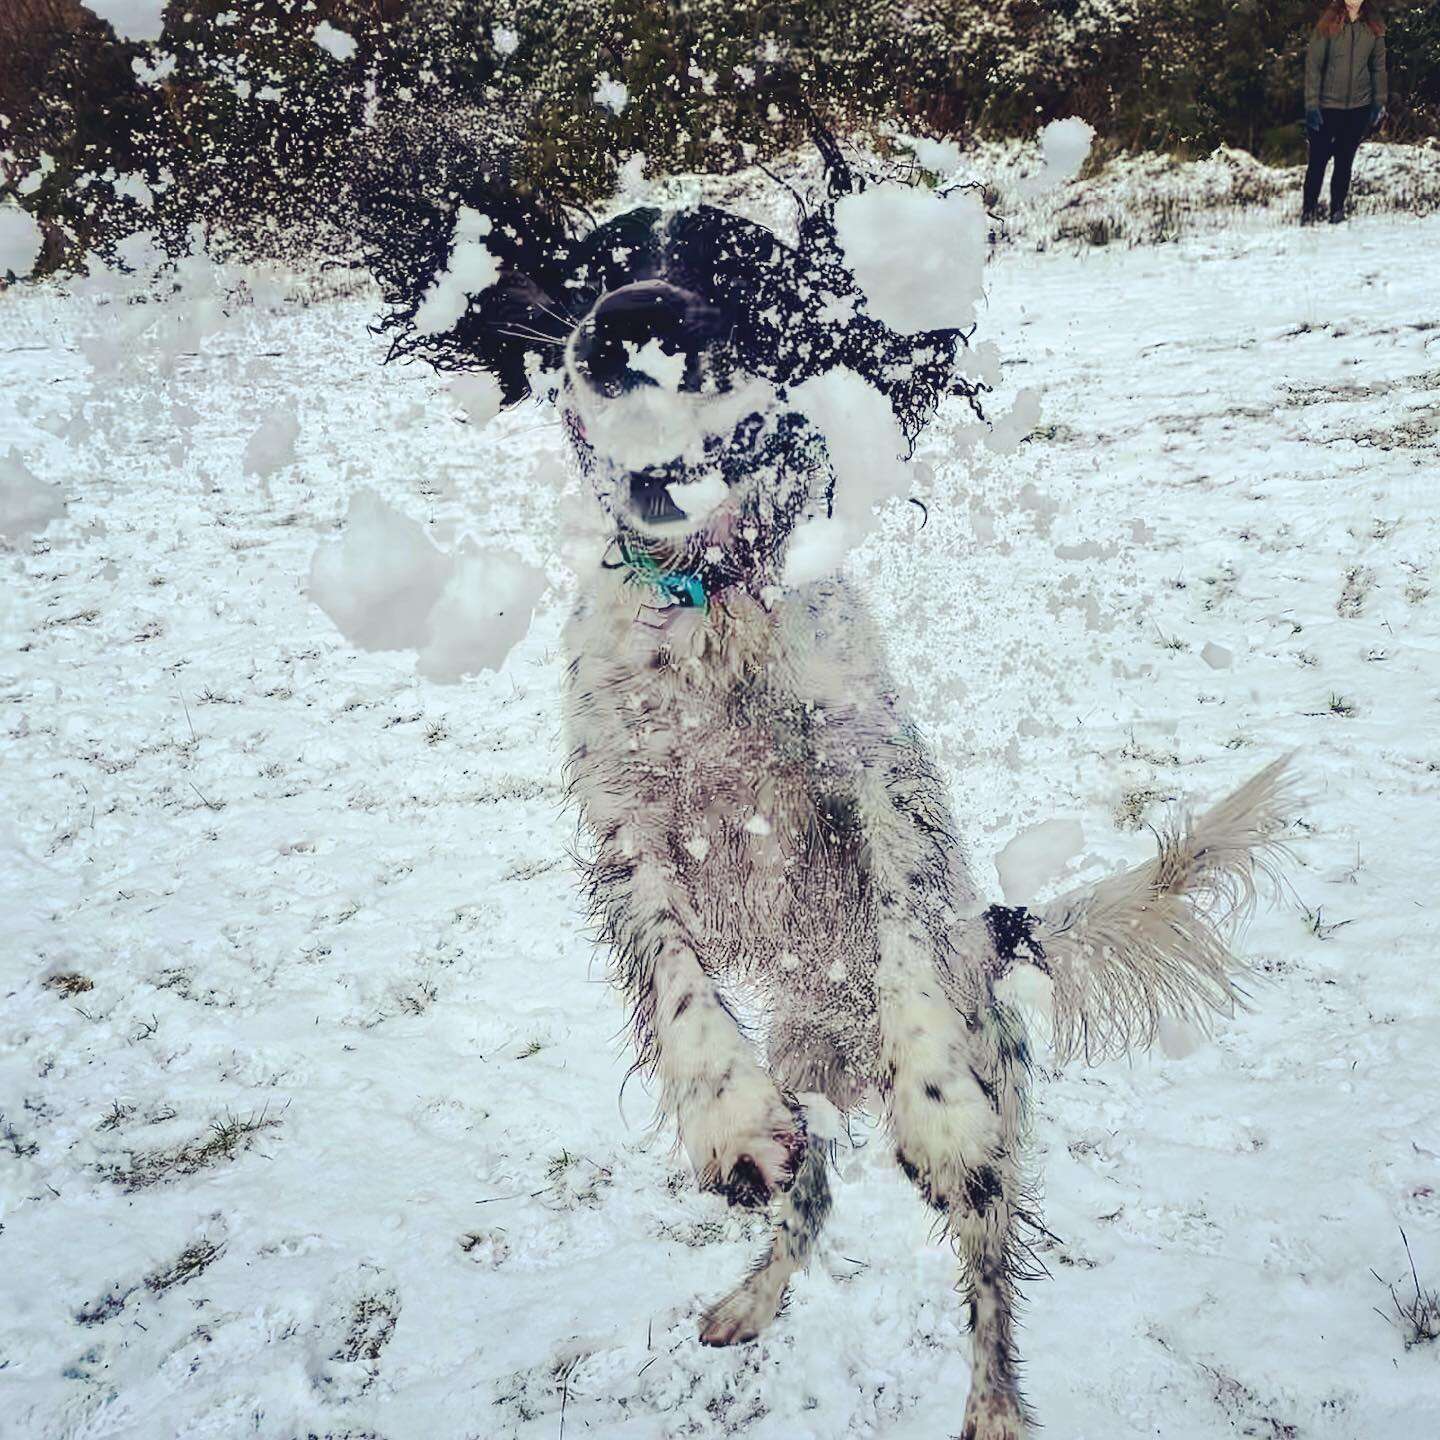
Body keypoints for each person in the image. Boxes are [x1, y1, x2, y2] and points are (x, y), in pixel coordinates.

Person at [1304, 0, 1388, 224]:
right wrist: (1312, 105)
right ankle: (1308, 211)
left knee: (1344, 160)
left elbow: (1378, 67)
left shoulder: (1372, 25)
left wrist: (1379, 102)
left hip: (1358, 107)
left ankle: (1337, 209)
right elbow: (1314, 65)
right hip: (1327, 106)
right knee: (1318, 160)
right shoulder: (1328, 23)